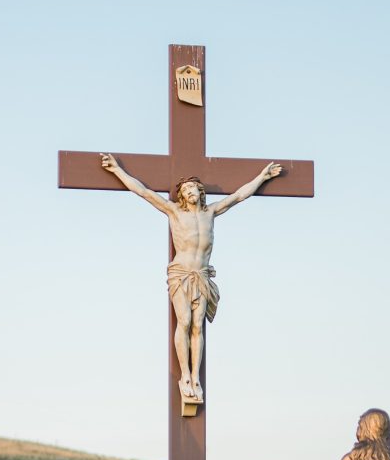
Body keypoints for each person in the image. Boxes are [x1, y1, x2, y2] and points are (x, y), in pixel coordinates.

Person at [100, 154, 284, 401]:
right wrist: (117, 171)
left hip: (202, 275)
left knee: (198, 326)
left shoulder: (211, 212)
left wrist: (262, 177)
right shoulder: (174, 211)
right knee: (184, 322)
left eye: (192, 188)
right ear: (182, 196)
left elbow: (239, 196)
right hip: (181, 274)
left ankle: (195, 376)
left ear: (199, 191)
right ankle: (184, 374)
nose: (188, 192)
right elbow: (143, 192)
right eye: (184, 190)